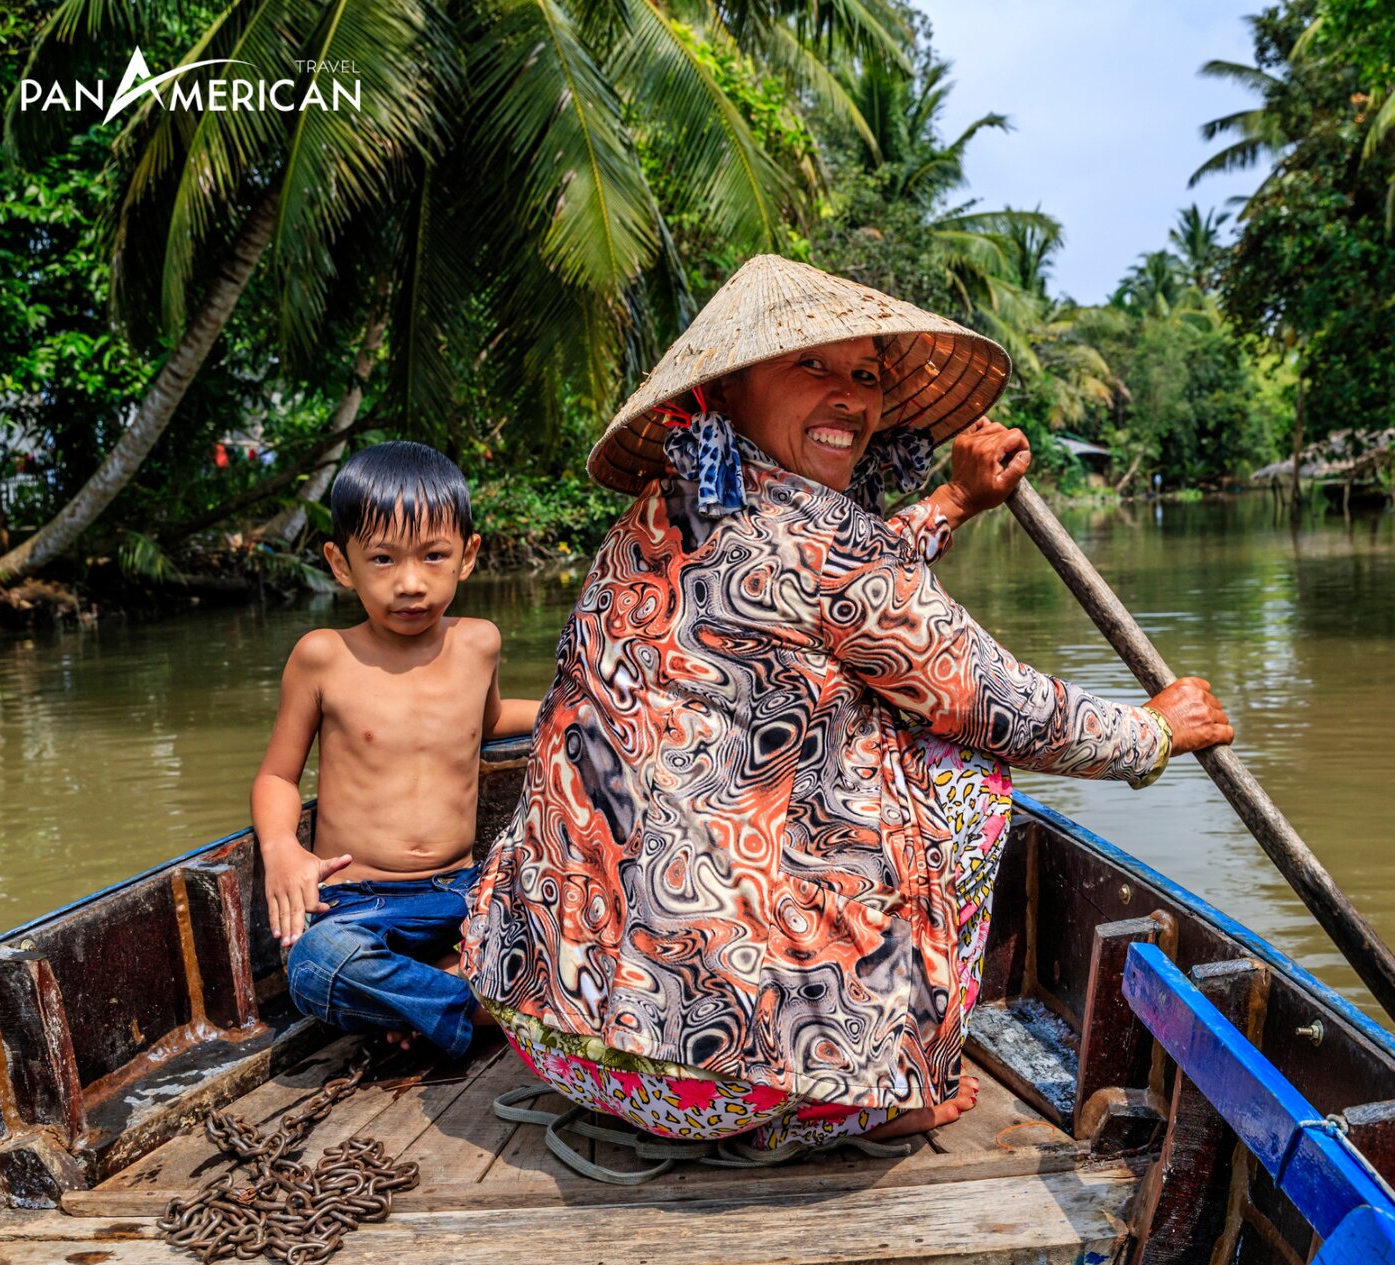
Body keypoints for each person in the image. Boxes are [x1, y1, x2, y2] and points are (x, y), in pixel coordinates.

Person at [460, 256, 1232, 1156]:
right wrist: (1153, 730)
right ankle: (887, 1082)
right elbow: (998, 701)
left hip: (558, 1033)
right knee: (958, 766)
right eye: (812, 367)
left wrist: (950, 501)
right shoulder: (828, 543)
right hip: (717, 1079)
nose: (850, 398)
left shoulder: (669, 505)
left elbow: (838, 580)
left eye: (865, 375)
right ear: (726, 390)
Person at [252, 441, 538, 1057]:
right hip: (356, 902)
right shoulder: (323, 656)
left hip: (460, 890)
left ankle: (422, 1001)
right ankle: (478, 1004)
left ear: (468, 556)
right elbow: (278, 776)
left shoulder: (478, 644)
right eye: (382, 559)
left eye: (434, 556)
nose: (410, 583)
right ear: (340, 563)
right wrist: (281, 849)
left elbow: (485, 722)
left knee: (558, 904)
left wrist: (573, 710)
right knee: (315, 965)